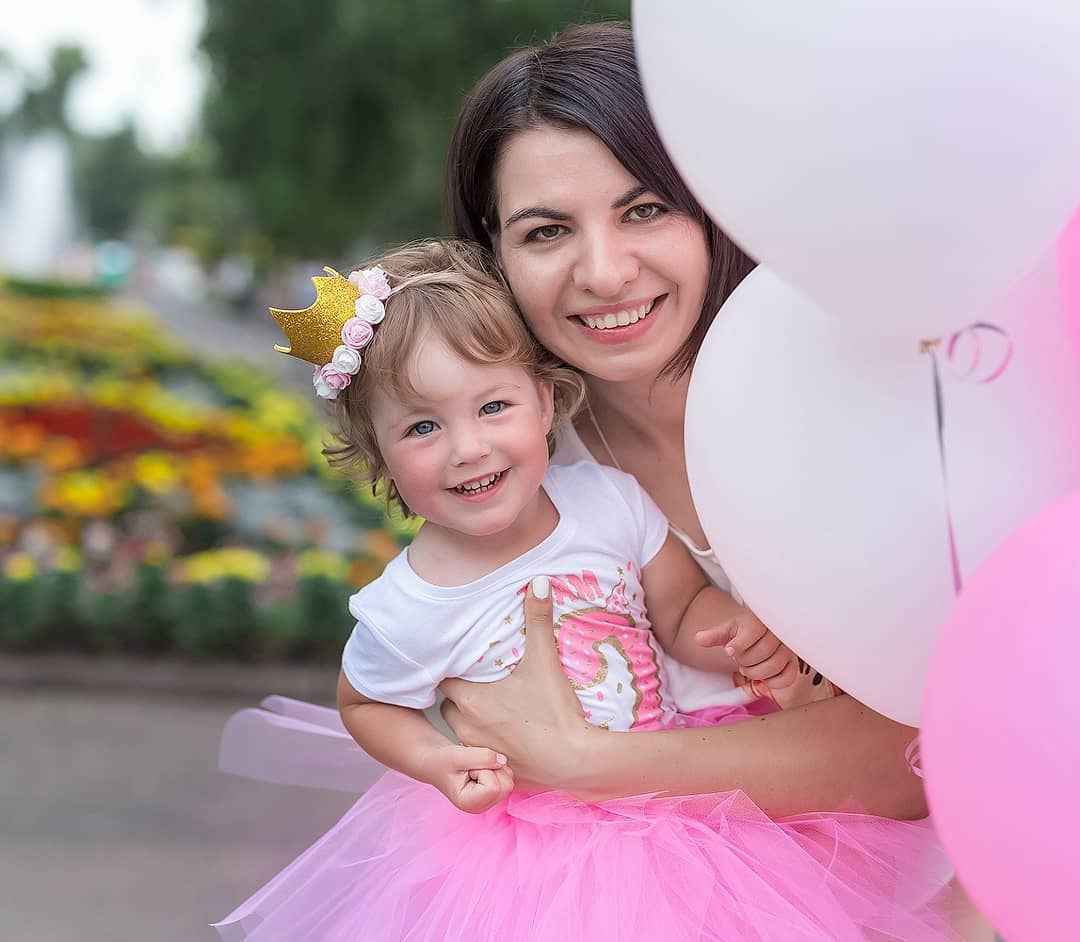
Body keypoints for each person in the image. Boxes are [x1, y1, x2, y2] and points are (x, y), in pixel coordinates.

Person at [214, 239, 956, 941]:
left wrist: (729, 633)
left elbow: (678, 607)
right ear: (377, 450)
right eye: (422, 428)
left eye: (493, 407)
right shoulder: (410, 604)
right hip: (540, 848)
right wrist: (434, 761)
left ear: (544, 402)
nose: (467, 448)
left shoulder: (606, 502)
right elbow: (366, 703)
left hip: (684, 804)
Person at [438, 20, 929, 819]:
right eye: (547, 231)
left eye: (644, 210)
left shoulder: (854, 394)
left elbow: (917, 755)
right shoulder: (510, 470)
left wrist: (585, 761)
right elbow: (489, 720)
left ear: (713, 206)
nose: (605, 273)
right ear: (493, 253)